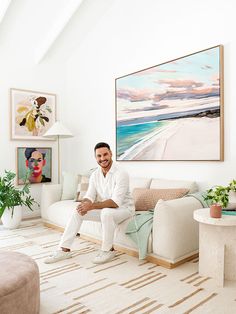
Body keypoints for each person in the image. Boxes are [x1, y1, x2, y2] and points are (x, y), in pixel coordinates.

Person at [44, 142, 134, 265]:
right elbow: (90, 195)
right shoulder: (95, 175)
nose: (103, 159)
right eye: (99, 156)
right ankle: (64, 249)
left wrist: (91, 206)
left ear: (111, 153)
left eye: (105, 154)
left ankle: (108, 250)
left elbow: (116, 202)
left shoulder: (121, 173)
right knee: (78, 212)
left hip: (124, 209)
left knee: (107, 213)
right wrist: (84, 205)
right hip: (107, 209)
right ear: (95, 157)